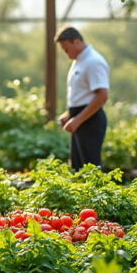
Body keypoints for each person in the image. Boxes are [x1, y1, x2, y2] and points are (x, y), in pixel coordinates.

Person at [55, 26, 110, 170]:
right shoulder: (79, 61)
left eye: (67, 49)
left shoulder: (93, 61)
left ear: (77, 42)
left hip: (89, 121)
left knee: (90, 168)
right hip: (79, 120)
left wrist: (77, 119)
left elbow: (102, 95)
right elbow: (82, 95)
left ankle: (99, 193)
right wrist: (69, 115)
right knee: (77, 166)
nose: (66, 54)